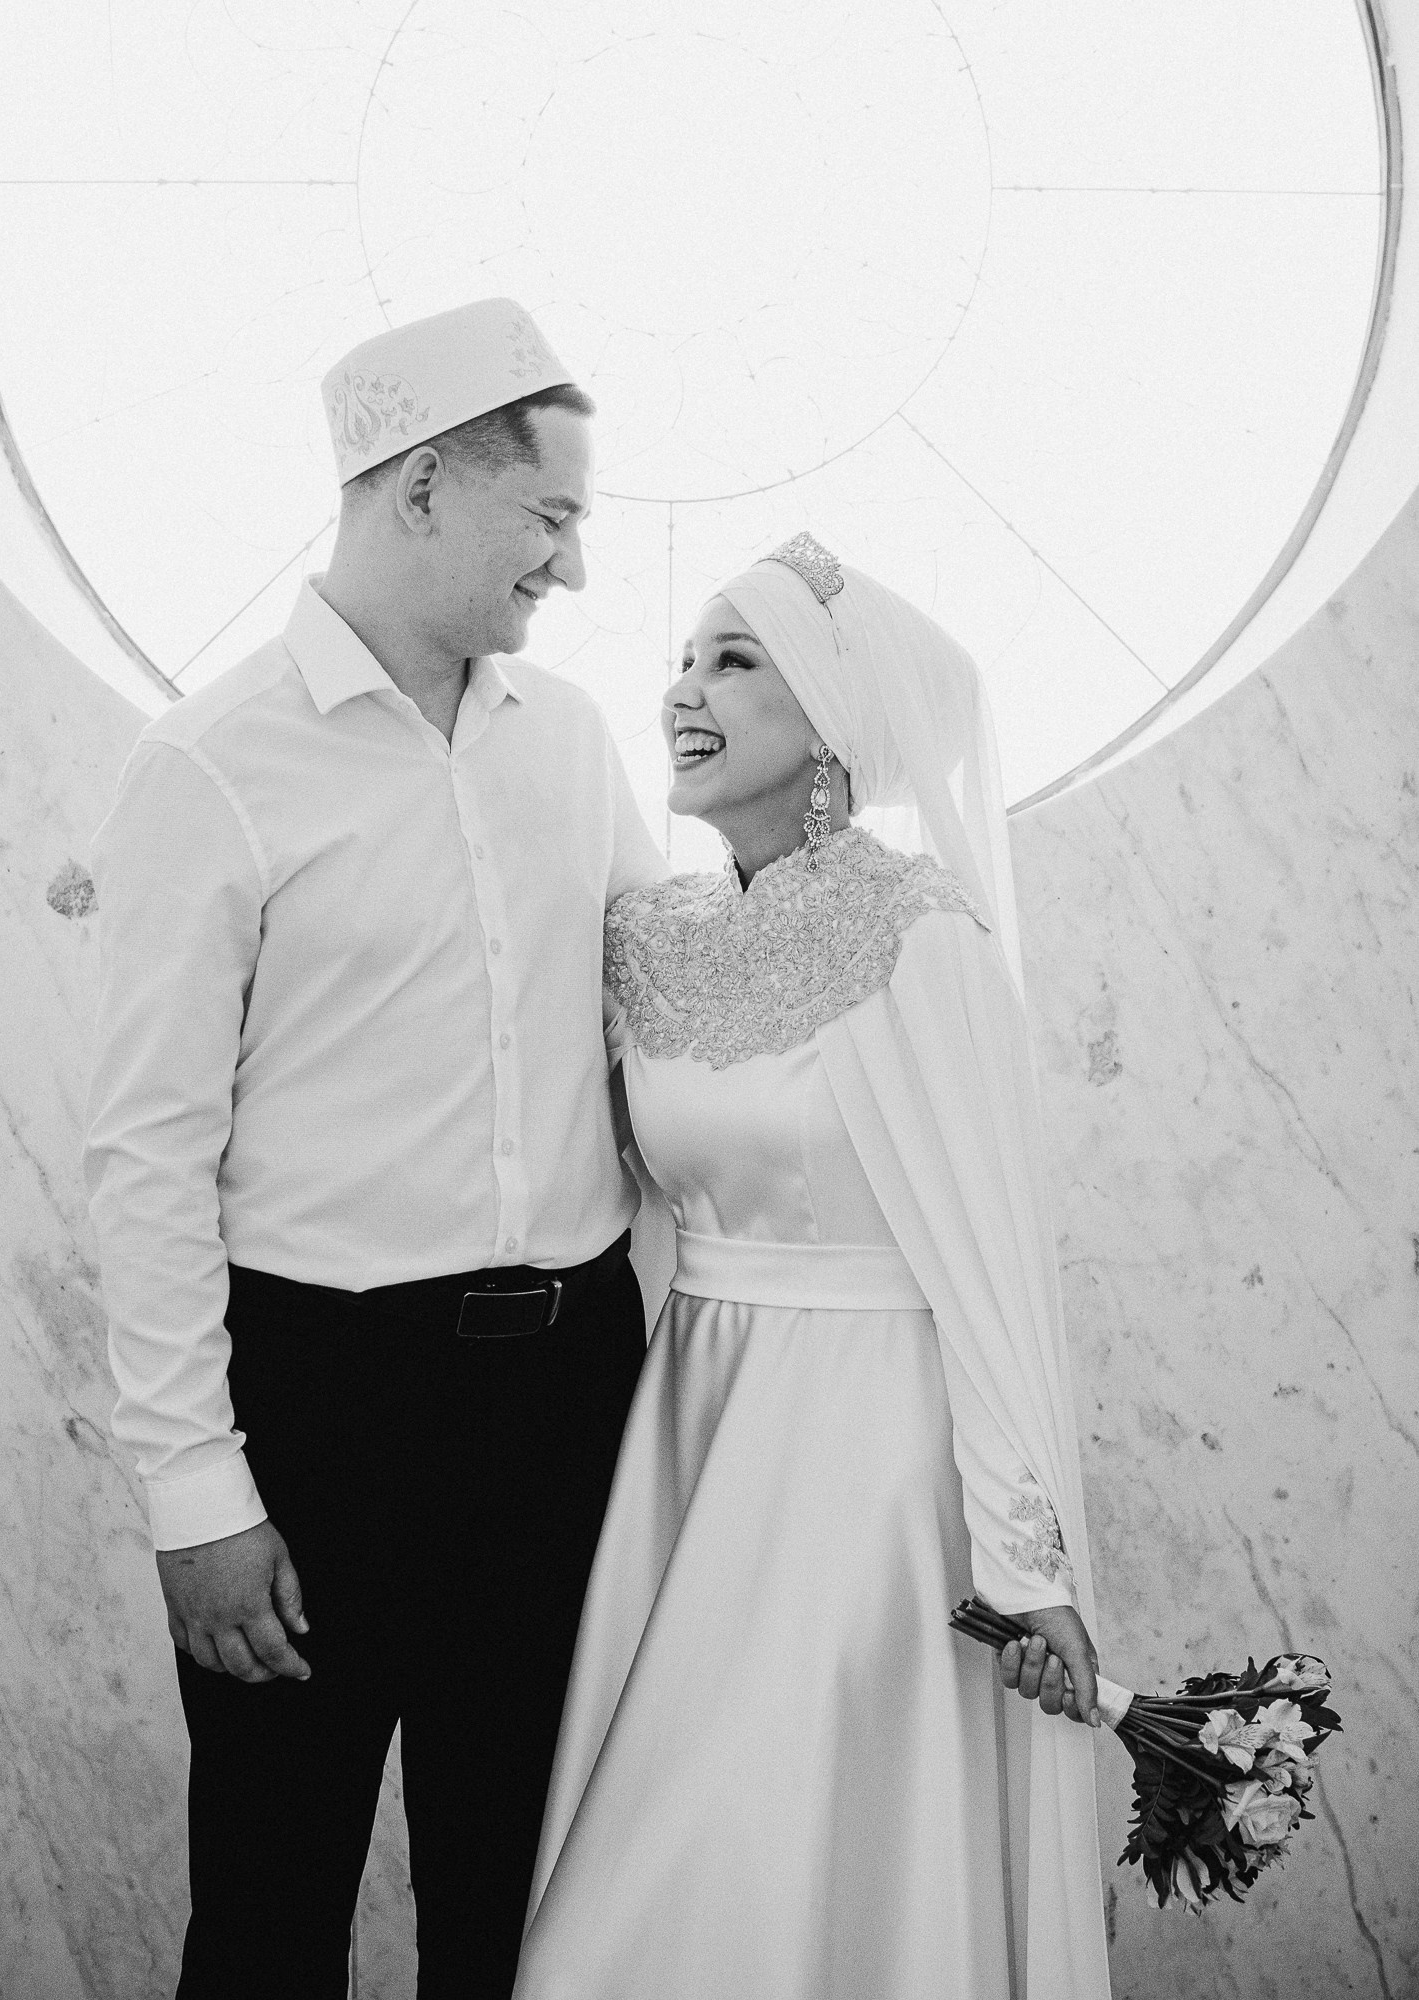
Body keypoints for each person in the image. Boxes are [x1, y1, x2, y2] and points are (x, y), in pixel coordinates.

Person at [82, 297, 667, 1999]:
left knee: (528, 1911)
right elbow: (146, 1158)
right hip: (324, 1412)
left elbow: (671, 1015)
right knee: (270, 1920)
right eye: (548, 516)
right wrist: (197, 1499)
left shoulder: (571, 741)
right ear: (419, 487)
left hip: (570, 1398)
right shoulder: (209, 764)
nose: (571, 567)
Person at [512, 532, 1112, 1998]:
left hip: (866, 1454)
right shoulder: (650, 935)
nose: (683, 691)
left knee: (788, 1839)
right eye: (681, 661)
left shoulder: (923, 936)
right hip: (690, 1430)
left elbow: (987, 1271)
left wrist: (1023, 1559)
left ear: (832, 720)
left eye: (733, 660)